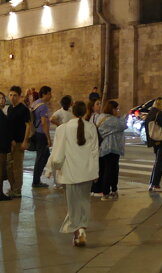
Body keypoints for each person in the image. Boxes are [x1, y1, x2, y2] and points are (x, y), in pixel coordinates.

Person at [51, 101, 99, 247]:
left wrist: (52, 168)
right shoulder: (91, 127)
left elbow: (57, 152)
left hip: (70, 172)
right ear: (85, 112)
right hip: (87, 171)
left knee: (73, 204)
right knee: (84, 201)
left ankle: (77, 231)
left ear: (72, 112)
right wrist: (96, 171)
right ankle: (82, 229)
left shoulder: (63, 129)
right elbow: (95, 151)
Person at [6, 86, 33, 198]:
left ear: (20, 96)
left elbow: (28, 126)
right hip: (10, 142)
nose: (12, 97)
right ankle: (12, 187)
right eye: (11, 95)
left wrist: (25, 141)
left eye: (15, 95)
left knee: (17, 167)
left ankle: (17, 190)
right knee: (9, 166)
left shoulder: (23, 109)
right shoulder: (9, 109)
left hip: (19, 142)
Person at [97, 100, 125, 199]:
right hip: (111, 147)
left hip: (104, 148)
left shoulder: (101, 117)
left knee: (107, 169)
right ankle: (107, 192)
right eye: (117, 109)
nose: (118, 111)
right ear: (112, 109)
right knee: (111, 170)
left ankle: (109, 190)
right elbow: (123, 125)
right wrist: (121, 116)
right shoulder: (111, 120)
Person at [145, 98, 162, 192]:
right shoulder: (160, 114)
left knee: (157, 162)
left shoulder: (151, 113)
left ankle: (152, 183)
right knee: (160, 163)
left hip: (154, 140)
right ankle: (156, 185)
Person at [30, 86, 54, 189]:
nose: (50, 96)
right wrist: (48, 138)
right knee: (41, 158)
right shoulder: (43, 106)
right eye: (49, 93)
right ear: (44, 94)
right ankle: (36, 181)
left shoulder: (35, 103)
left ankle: (37, 179)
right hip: (41, 134)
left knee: (44, 156)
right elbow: (44, 123)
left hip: (36, 133)